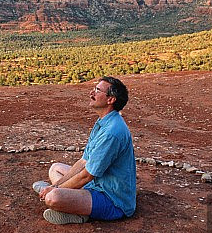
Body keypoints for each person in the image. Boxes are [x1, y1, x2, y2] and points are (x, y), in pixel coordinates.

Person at [33, 76, 136, 224]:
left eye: (97, 90)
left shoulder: (112, 132)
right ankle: (73, 206)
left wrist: (55, 190)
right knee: (55, 168)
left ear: (111, 99)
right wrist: (55, 185)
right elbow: (84, 161)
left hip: (113, 199)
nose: (91, 93)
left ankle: (75, 210)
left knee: (53, 198)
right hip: (98, 184)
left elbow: (87, 175)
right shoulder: (103, 122)